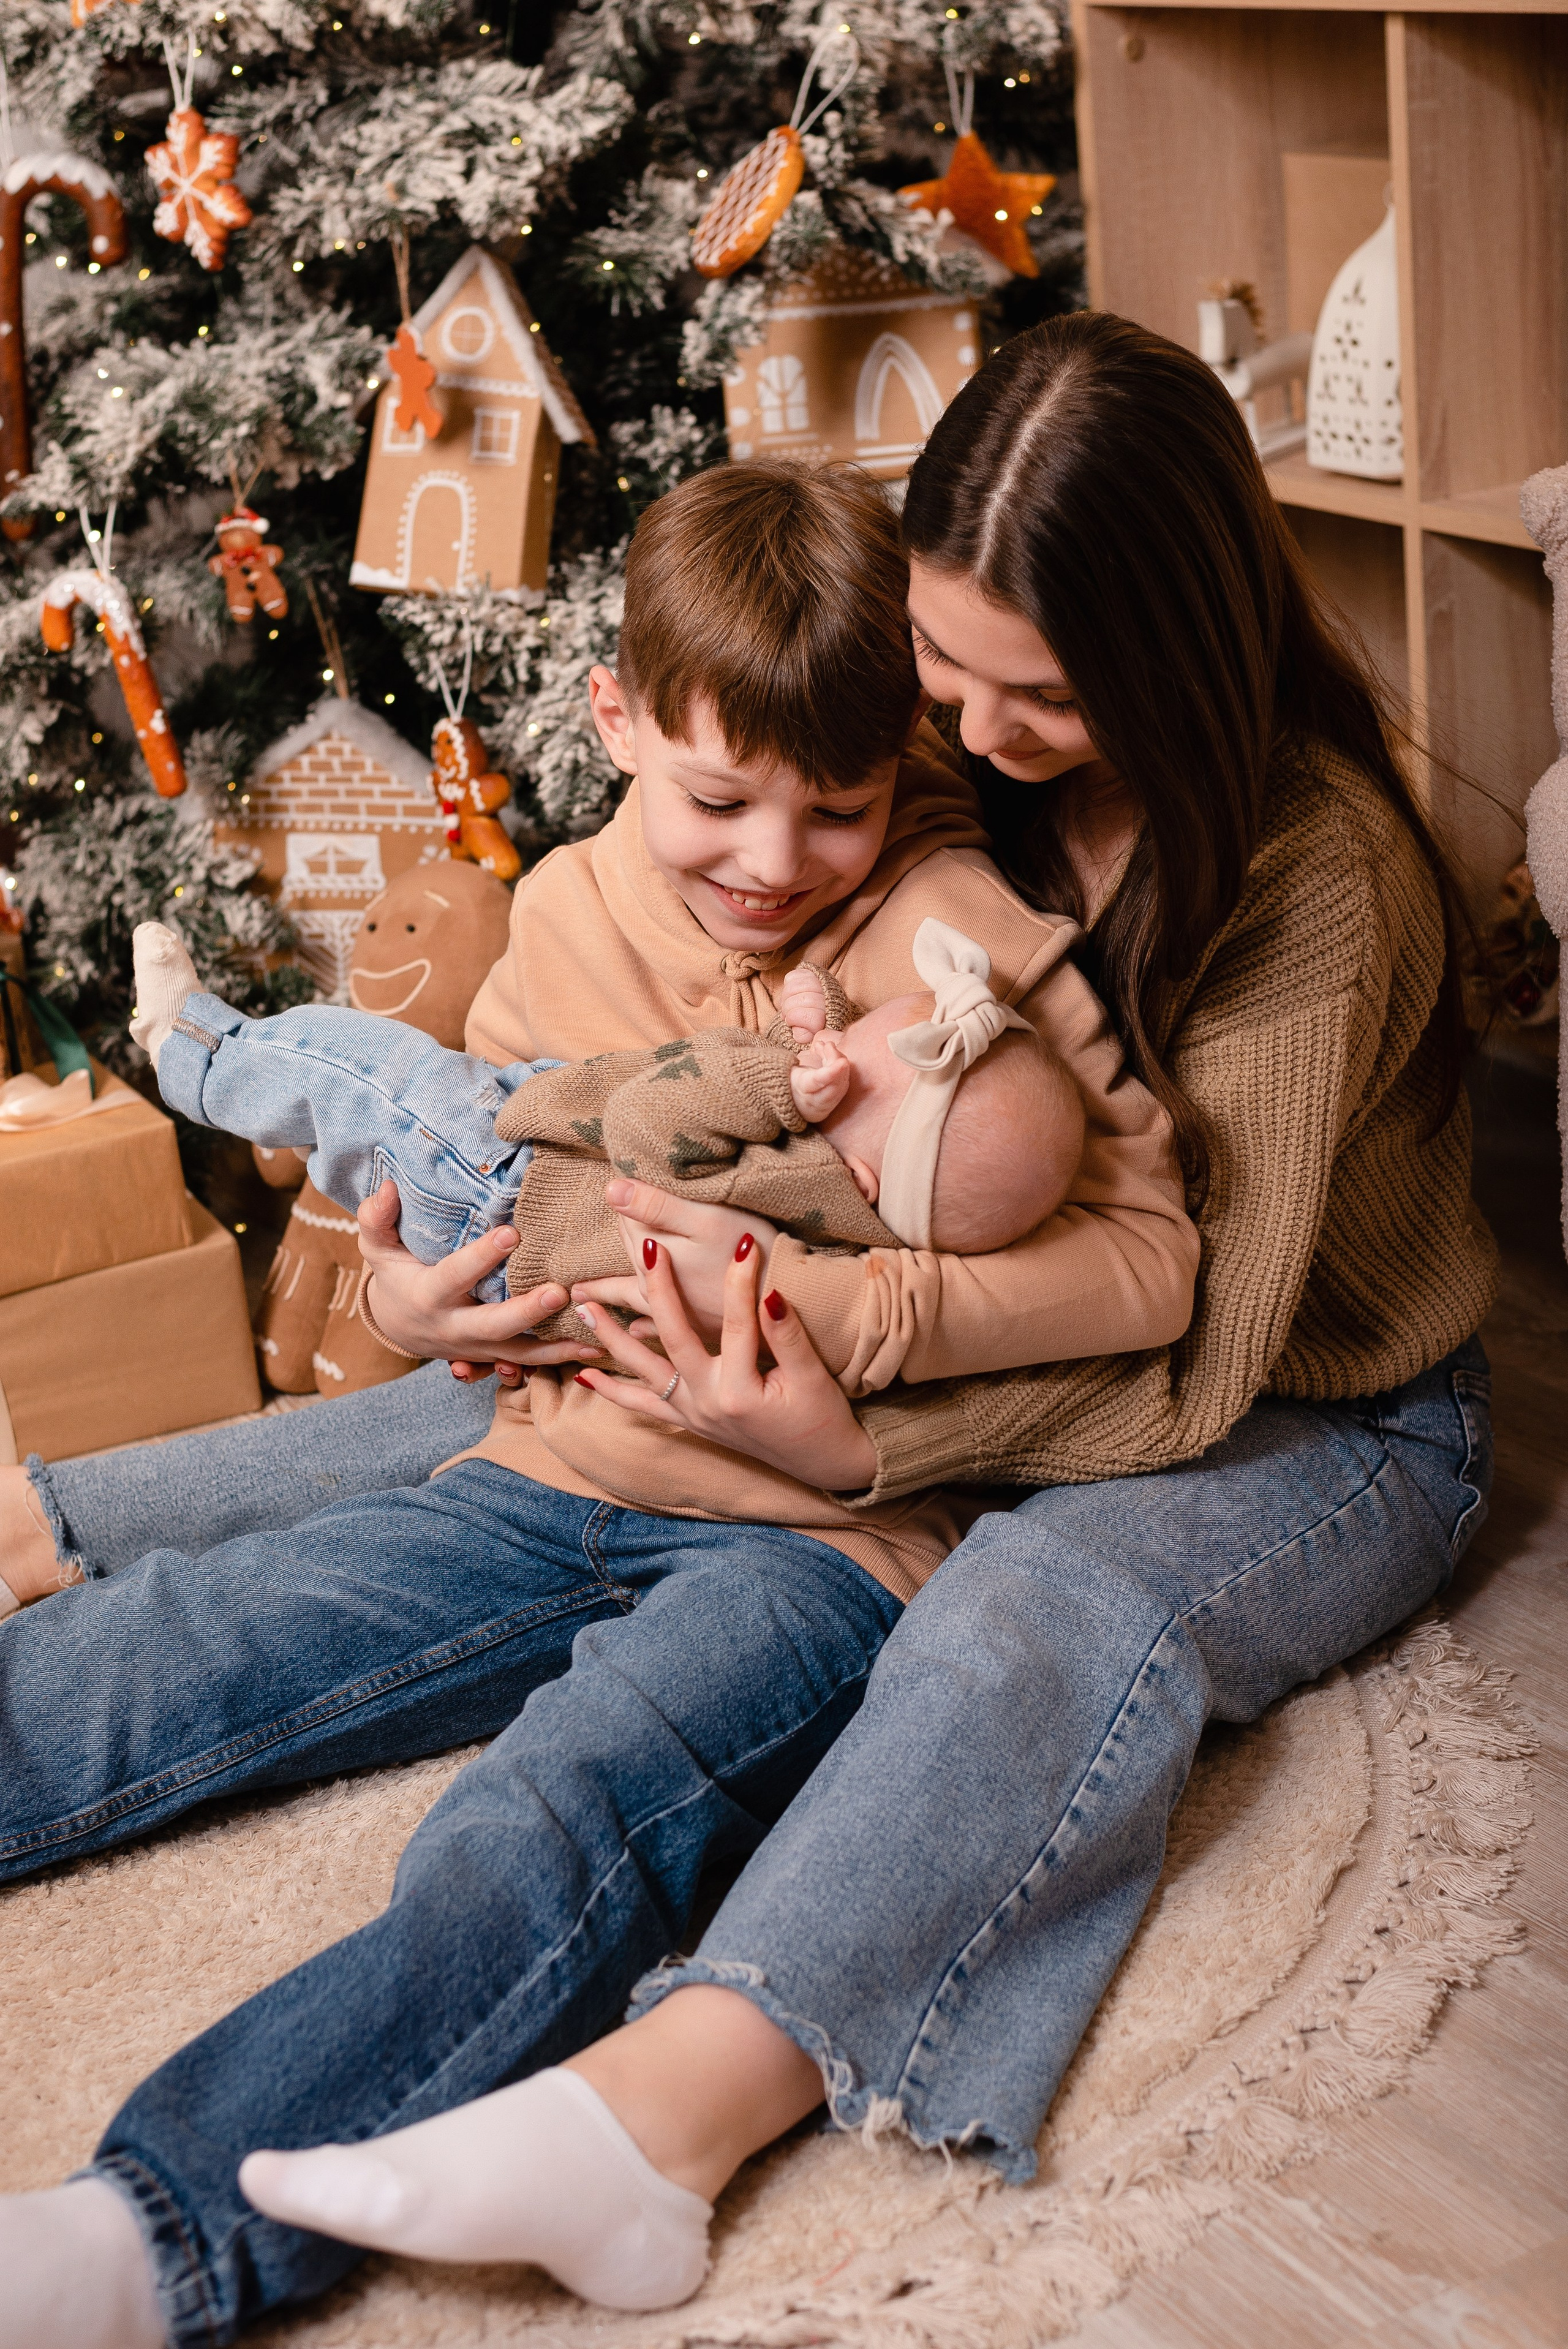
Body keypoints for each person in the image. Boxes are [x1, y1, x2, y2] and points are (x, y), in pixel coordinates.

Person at [190, 307, 1495, 2298]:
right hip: (1019, 1337)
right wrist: (476, 1260)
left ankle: (667, 2114)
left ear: (1172, 652)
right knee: (556, 1383)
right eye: (938, 670)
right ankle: (63, 1525)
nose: (962, 731)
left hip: (1312, 1400)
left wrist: (849, 1416)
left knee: (1042, 1601)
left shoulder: (1316, 876)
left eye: (1032, 690)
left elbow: (1197, 1339)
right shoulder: (957, 773)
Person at [0, 443, 1194, 2347]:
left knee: (557, 1815)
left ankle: (150, 2237)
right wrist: (408, 1295)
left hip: (824, 1545)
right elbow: (464, 1192)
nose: (778, 864)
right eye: (721, 798)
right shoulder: (559, 912)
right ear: (618, 717)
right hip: (548, 1462)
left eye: (842, 807)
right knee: (184, 1643)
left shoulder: (957, 934)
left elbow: (1153, 1265)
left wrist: (832, 1307)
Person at [126, 909, 1085, 1306]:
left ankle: (194, 1049)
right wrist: (815, 1015)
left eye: (839, 1061)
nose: (825, 1047)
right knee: (361, 1117)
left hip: (509, 1196)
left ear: (864, 1176)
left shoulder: (804, 1193)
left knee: (377, 1074)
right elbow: (817, 1065)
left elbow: (646, 1132)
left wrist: (782, 1086)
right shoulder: (839, 1161)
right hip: (531, 1169)